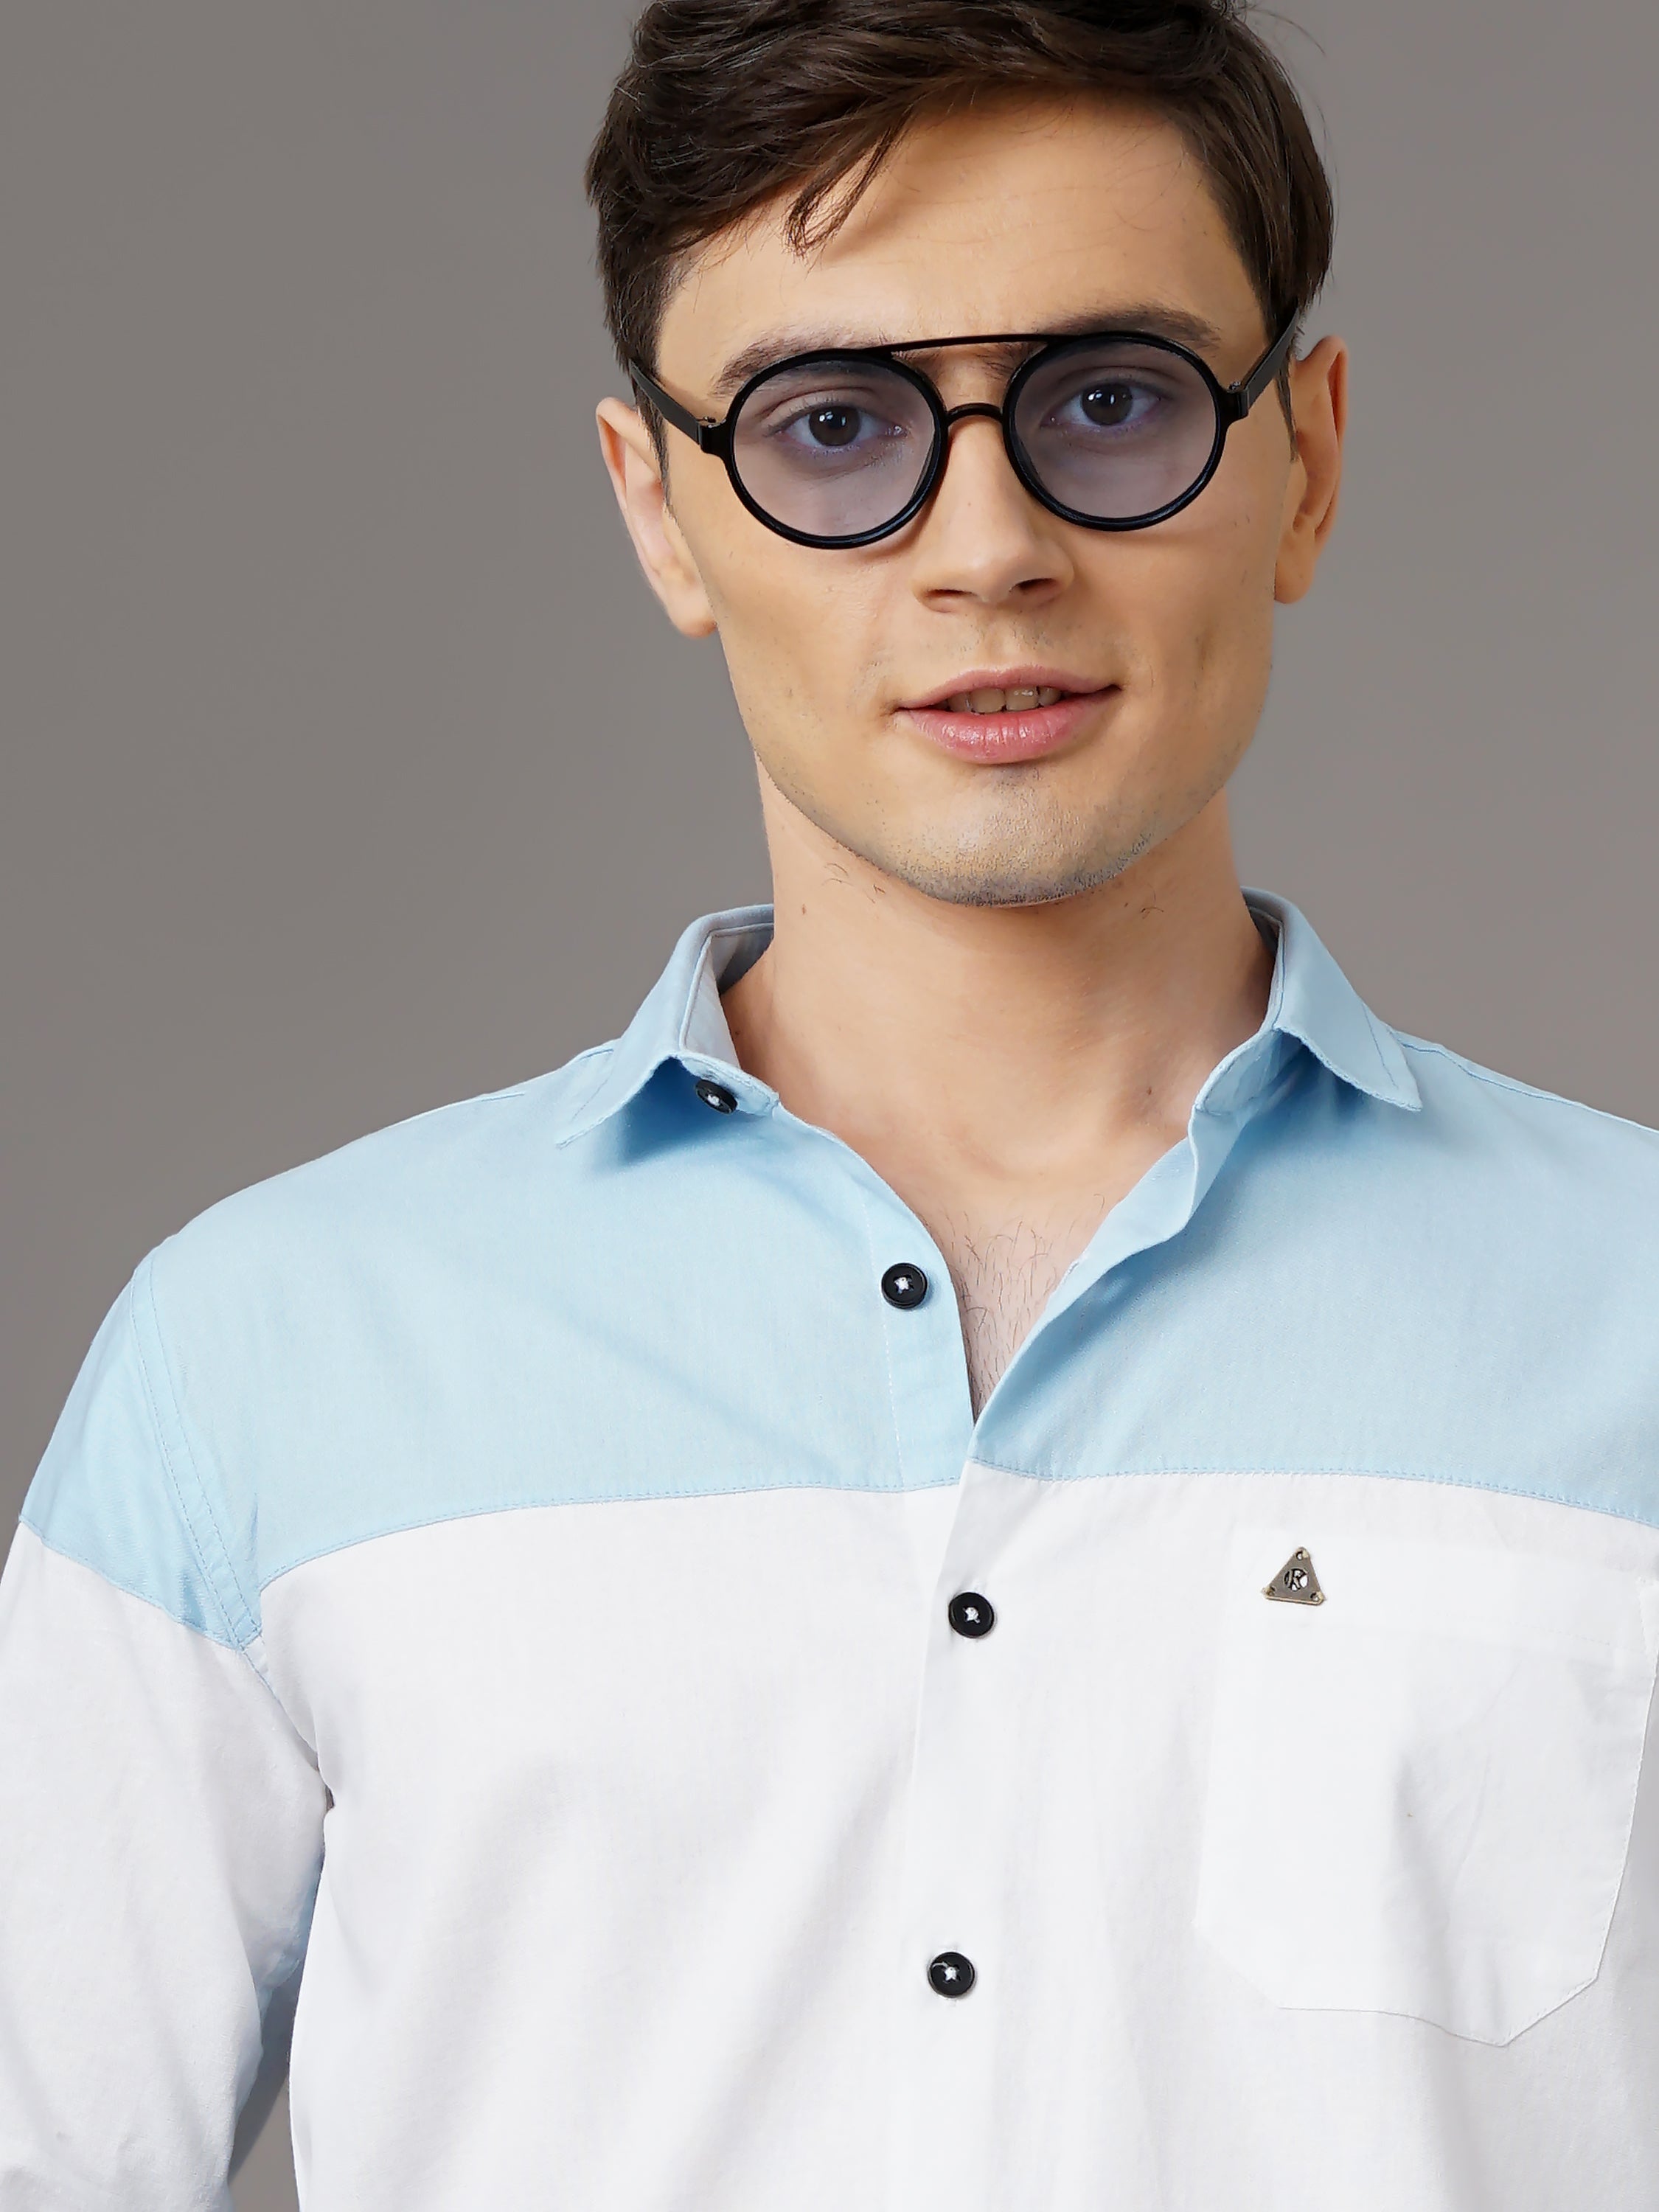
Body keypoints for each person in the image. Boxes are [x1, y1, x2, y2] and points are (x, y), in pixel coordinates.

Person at [4, 1, 1658, 2205]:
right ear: (661, 514)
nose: (987, 547)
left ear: (1309, 460)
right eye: (832, 426)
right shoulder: (260, 1363)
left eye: (1108, 399)